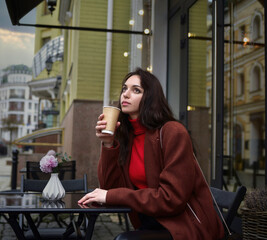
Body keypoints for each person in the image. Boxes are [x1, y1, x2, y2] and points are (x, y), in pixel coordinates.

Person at [78, 68, 225, 240]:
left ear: (150, 98)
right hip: (150, 222)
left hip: (185, 226)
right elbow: (111, 189)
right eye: (124, 89)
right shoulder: (129, 137)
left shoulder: (173, 132)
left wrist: (111, 195)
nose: (125, 94)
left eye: (136, 90)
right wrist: (108, 143)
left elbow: (171, 199)